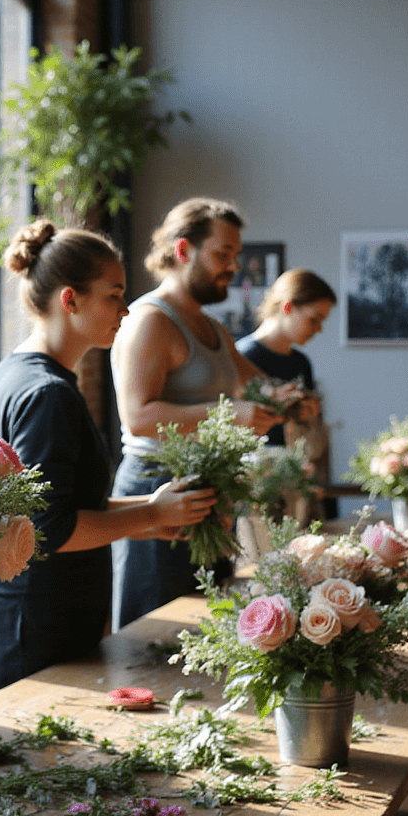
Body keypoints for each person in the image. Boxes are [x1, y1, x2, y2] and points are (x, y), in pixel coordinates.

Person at [0, 221, 217, 707]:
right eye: (114, 296)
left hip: (14, 629)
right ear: (70, 300)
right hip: (22, 639)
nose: (126, 310)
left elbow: (57, 505)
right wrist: (151, 515)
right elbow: (48, 528)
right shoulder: (47, 394)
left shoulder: (16, 373)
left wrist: (150, 513)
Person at [111, 197, 282, 629]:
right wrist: (229, 414)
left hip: (208, 491)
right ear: (184, 250)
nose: (234, 266)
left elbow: (259, 386)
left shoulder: (213, 327)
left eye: (235, 255)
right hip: (157, 487)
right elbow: (138, 416)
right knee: (154, 632)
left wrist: (291, 398)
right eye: (223, 254)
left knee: (210, 625)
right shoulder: (151, 320)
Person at [236, 268, 335, 447]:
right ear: (287, 307)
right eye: (314, 319)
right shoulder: (243, 356)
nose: (319, 329)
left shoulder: (301, 363)